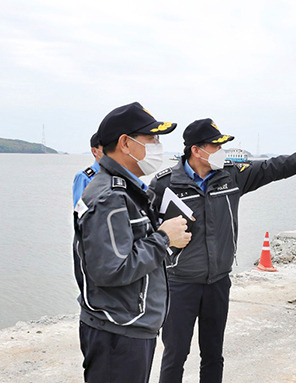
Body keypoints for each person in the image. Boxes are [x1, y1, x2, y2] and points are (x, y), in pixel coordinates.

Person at [148, 118, 296, 383]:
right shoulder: (164, 184)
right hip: (180, 284)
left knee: (213, 355)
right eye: (215, 145)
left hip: (218, 282)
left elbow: (274, 167)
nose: (221, 151)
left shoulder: (231, 175)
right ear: (196, 150)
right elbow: (145, 232)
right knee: (175, 355)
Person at [72, 102, 192, 383]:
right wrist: (164, 238)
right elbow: (111, 269)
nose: (158, 146)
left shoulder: (127, 189)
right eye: (151, 139)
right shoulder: (109, 197)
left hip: (130, 327)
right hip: (118, 331)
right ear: (126, 143)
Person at [72, 132, 103, 207]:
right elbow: (79, 210)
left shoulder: (116, 175)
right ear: (95, 151)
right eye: (106, 148)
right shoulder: (84, 177)